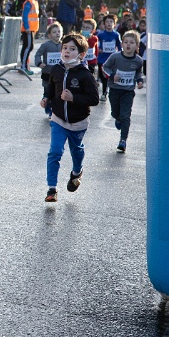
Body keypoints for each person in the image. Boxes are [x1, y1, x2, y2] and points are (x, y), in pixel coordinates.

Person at [39, 32, 99, 203]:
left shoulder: (85, 74)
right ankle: (52, 189)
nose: (67, 51)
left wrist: (73, 98)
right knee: (55, 151)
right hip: (58, 119)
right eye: (65, 47)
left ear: (81, 55)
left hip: (78, 122)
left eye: (72, 49)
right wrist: (46, 98)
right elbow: (51, 87)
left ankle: (77, 172)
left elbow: (94, 99)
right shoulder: (56, 69)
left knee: (76, 151)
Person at [102, 31, 145, 153]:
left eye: (131, 43)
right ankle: (117, 118)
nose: (128, 45)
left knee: (126, 116)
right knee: (115, 113)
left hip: (128, 92)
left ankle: (123, 140)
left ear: (137, 46)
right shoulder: (115, 57)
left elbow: (138, 72)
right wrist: (112, 76)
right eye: (126, 42)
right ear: (122, 44)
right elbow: (104, 67)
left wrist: (140, 81)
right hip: (115, 90)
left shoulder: (138, 60)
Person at [33, 22, 63, 117]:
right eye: (54, 32)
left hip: (59, 74)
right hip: (47, 74)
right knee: (47, 92)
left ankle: (54, 111)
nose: (57, 33)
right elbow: (38, 54)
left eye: (59, 31)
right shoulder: (46, 45)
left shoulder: (63, 45)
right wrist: (39, 63)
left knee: (57, 92)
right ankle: (47, 105)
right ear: (49, 35)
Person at [95, 14, 121, 101]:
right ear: (104, 24)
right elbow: (96, 45)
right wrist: (98, 49)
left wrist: (120, 54)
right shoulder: (100, 35)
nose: (109, 23)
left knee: (111, 76)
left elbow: (119, 45)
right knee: (102, 76)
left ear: (114, 24)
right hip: (102, 59)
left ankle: (106, 92)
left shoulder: (116, 35)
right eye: (107, 22)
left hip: (112, 59)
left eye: (111, 22)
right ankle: (104, 90)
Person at [20, 0, 41, 75]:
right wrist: (27, 27)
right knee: (28, 47)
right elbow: (25, 15)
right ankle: (23, 67)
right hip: (28, 29)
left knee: (27, 47)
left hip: (32, 29)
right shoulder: (29, 1)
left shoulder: (35, 2)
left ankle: (24, 66)